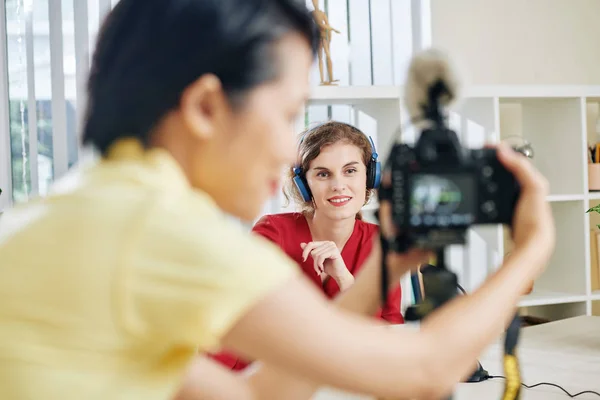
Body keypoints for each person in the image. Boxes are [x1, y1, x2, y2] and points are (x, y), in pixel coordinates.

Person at [0, 1, 555, 400]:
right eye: (288, 114)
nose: (292, 147)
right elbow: (425, 373)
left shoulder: (80, 212)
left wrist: (382, 266)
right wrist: (529, 252)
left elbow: (262, 392)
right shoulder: (159, 229)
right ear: (206, 108)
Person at [209, 121, 404, 372]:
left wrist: (345, 280)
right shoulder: (273, 232)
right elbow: (244, 319)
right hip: (262, 376)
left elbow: (387, 339)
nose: (338, 185)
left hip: (346, 379)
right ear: (304, 184)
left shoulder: (381, 243)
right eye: (323, 174)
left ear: (370, 175)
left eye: (350, 171)